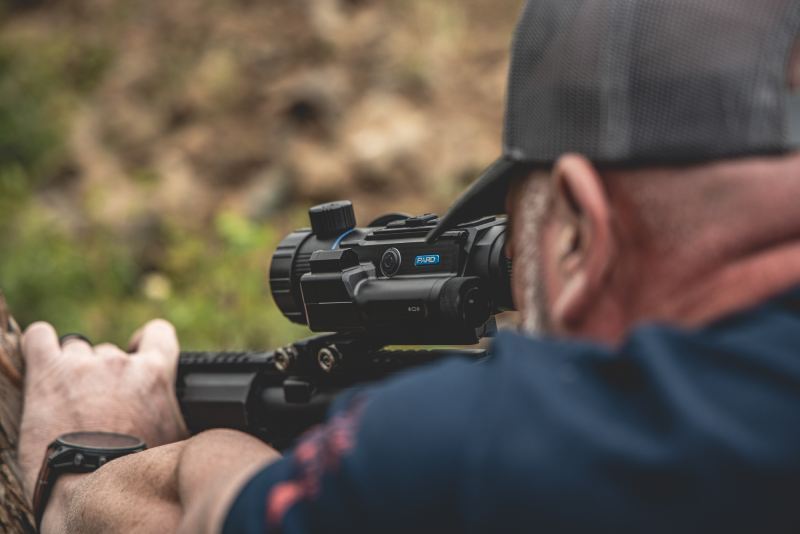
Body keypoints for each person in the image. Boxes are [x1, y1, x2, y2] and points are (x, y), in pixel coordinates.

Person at [16, 0, 800, 532]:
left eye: (513, 241)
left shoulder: (513, 444)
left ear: (577, 238)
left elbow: (203, 513)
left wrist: (87, 459)